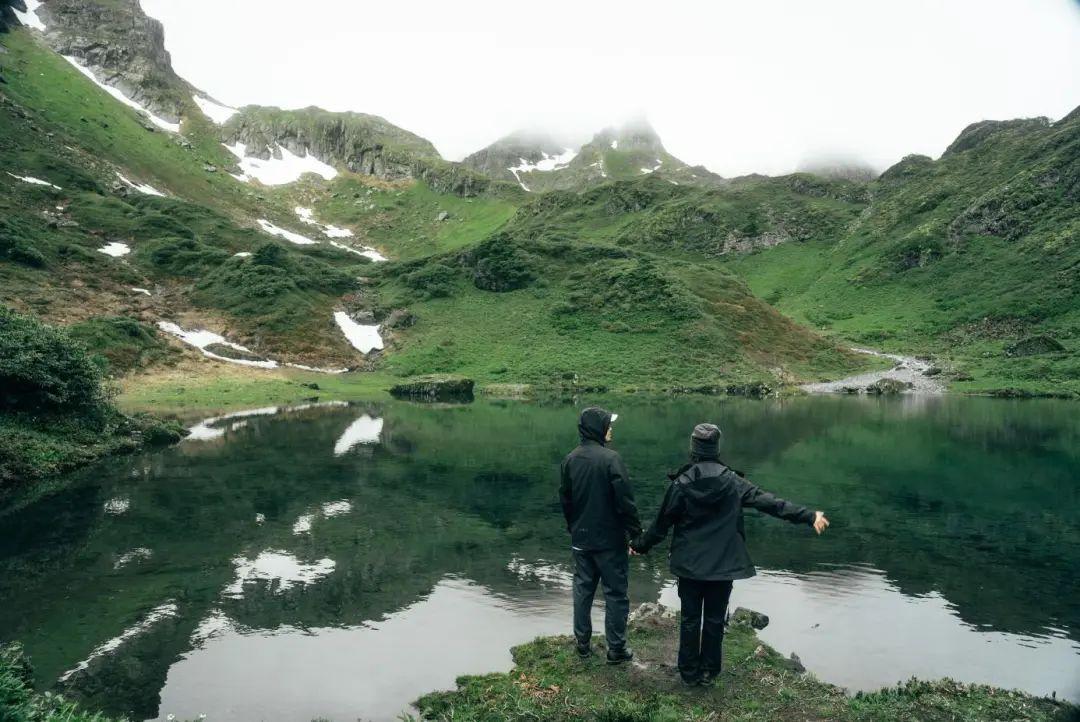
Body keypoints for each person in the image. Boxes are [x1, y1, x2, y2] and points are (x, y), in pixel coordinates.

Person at [631, 423, 829, 685]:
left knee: (690, 619)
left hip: (689, 566)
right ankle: (709, 672)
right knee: (714, 620)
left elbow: (660, 526)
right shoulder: (733, 481)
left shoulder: (681, 484)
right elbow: (769, 503)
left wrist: (639, 545)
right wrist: (808, 516)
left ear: (693, 449)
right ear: (717, 448)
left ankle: (688, 673)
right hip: (723, 566)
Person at [559, 406, 643, 664]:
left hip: (581, 540)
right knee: (615, 593)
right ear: (598, 429)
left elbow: (566, 501)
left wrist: (573, 528)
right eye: (608, 424)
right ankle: (616, 649)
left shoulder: (569, 460)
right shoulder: (611, 460)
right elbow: (625, 503)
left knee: (583, 590)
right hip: (610, 542)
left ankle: (583, 645)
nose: (611, 428)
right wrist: (636, 534)